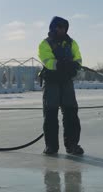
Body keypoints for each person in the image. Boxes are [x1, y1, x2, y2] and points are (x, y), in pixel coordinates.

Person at [38, 16, 84, 155]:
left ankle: (72, 145)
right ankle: (51, 146)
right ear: (53, 27)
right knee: (51, 114)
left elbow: (78, 58)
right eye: (58, 27)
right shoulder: (45, 44)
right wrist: (60, 64)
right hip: (51, 81)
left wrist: (75, 65)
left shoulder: (72, 43)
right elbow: (47, 60)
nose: (61, 29)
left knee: (71, 113)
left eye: (63, 27)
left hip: (66, 81)